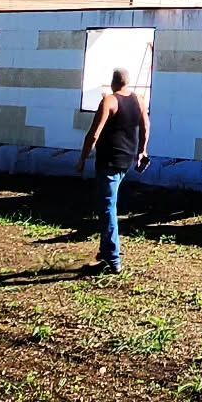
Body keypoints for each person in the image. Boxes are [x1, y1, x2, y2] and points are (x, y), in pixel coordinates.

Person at [76, 68, 148, 274]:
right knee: (109, 204)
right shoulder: (139, 100)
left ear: (113, 82)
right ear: (128, 81)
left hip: (109, 162)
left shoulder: (109, 101)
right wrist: (142, 151)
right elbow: (146, 126)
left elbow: (94, 134)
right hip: (126, 161)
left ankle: (113, 260)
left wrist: (82, 158)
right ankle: (104, 251)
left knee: (107, 208)